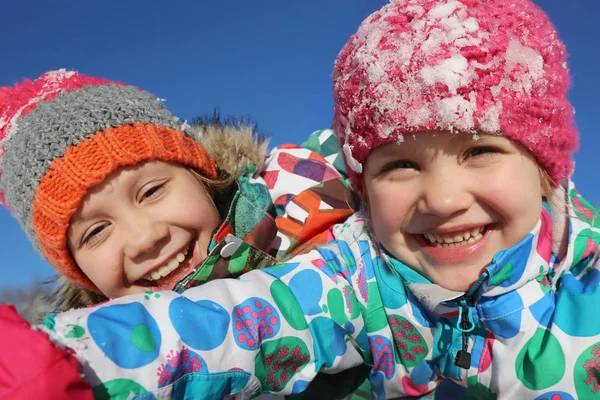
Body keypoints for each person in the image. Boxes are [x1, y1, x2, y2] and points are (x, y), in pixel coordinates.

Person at [11, 0, 600, 397]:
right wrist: (50, 357)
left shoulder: (315, 220)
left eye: (480, 151)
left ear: (546, 164)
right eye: (399, 165)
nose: (442, 198)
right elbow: (224, 326)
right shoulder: (355, 281)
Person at [0, 69, 361, 398]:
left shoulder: (316, 182)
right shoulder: (109, 371)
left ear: (201, 177)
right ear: (78, 271)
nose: (145, 238)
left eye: (152, 192)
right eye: (96, 232)